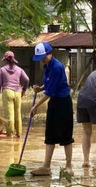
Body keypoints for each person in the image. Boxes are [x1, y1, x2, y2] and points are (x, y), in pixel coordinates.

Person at [29, 41, 74, 175]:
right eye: (40, 59)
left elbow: (50, 93)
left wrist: (35, 107)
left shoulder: (56, 67)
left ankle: (69, 166)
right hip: (54, 103)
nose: (42, 61)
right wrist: (40, 88)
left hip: (63, 103)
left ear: (50, 54)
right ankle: (46, 166)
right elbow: (48, 85)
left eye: (43, 57)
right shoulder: (47, 66)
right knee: (50, 134)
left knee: (66, 135)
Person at [0, 51, 29, 138]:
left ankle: (10, 134)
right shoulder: (19, 69)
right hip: (17, 92)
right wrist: (24, 90)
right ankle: (18, 134)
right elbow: (27, 80)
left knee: (9, 115)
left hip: (7, 92)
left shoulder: (2, 70)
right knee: (18, 114)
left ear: (5, 60)